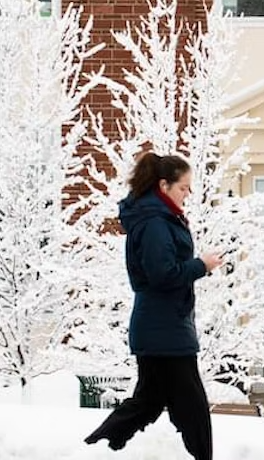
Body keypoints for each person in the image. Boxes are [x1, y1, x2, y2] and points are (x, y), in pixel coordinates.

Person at [85, 152, 222, 460]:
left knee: (148, 402)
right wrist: (202, 265)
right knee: (193, 408)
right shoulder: (155, 223)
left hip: (164, 326)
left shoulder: (160, 219)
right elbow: (162, 274)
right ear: (164, 185)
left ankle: (94, 449)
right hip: (164, 330)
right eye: (183, 187)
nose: (188, 194)